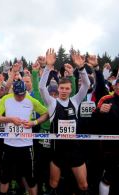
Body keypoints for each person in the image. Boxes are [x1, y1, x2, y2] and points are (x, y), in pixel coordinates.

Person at [39, 49, 91, 195]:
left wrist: (81, 68)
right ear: (58, 89)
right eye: (61, 88)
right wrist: (48, 68)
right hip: (57, 150)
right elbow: (42, 87)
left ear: (70, 90)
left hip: (75, 150)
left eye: (67, 88)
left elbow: (86, 85)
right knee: (53, 184)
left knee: (84, 185)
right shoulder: (52, 103)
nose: (64, 91)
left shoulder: (75, 101)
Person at [0, 79, 49, 195]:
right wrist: (10, 119)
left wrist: (34, 123)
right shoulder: (6, 99)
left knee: (30, 178)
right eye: (18, 95)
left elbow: (46, 114)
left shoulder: (30, 100)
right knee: (4, 177)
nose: (21, 97)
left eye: (23, 94)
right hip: (9, 145)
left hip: (26, 145)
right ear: (13, 91)